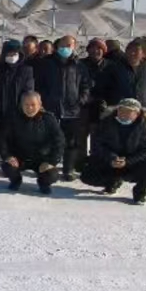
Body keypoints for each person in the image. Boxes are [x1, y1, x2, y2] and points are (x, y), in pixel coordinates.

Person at [34, 35, 90, 181]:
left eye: (69, 45)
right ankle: (46, 166)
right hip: (50, 108)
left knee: (71, 141)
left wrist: (81, 100)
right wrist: (42, 101)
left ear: (74, 47)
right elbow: (38, 84)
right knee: (48, 139)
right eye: (63, 45)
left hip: (72, 109)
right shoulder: (46, 64)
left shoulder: (79, 65)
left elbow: (85, 85)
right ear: (57, 46)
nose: (66, 48)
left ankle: (68, 169)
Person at [81, 98, 146, 204]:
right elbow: (98, 145)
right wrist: (111, 158)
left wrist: (127, 161)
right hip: (111, 161)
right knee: (87, 174)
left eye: (128, 111)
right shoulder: (106, 122)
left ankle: (139, 194)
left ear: (137, 113)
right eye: (121, 110)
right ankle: (112, 182)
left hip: (133, 162)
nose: (123, 114)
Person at [1, 92, 65, 194]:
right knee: (7, 167)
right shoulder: (13, 118)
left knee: (52, 174)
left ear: (39, 105)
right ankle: (16, 181)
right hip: (20, 157)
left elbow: (59, 142)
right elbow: (3, 139)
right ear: (21, 105)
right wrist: (8, 156)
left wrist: (51, 162)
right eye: (26, 105)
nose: (29, 108)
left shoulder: (49, 119)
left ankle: (43, 183)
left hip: (42, 158)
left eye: (33, 104)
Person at [0, 39, 34, 171]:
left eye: (14, 54)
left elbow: (28, 90)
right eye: (9, 54)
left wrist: (24, 108)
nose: (12, 56)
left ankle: (13, 165)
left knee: (14, 140)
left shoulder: (26, 70)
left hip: (17, 111)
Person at [79, 38, 109, 173]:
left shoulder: (110, 66)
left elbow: (114, 87)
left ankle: (95, 163)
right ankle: (79, 163)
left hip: (101, 107)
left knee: (98, 138)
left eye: (99, 49)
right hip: (82, 106)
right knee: (80, 137)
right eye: (92, 48)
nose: (96, 51)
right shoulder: (80, 64)